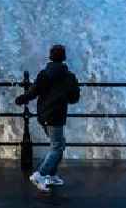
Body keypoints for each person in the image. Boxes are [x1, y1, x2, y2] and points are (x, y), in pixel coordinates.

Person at [15, 44, 80, 192]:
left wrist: (21, 99)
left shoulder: (44, 74)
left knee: (58, 144)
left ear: (50, 57)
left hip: (43, 114)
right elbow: (74, 98)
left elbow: (33, 92)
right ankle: (40, 174)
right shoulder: (69, 77)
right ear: (64, 58)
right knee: (57, 147)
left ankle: (51, 175)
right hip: (56, 115)